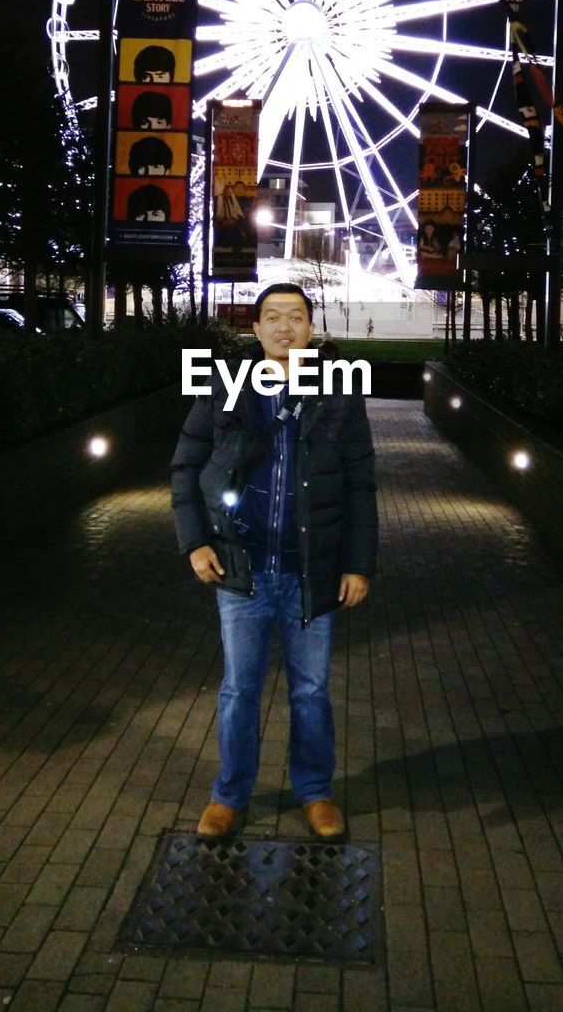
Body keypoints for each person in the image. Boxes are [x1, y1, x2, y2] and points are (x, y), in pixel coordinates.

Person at [171, 284, 378, 842]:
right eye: (272, 317)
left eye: (296, 316)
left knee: (310, 690)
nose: (284, 327)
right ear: (256, 328)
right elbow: (186, 468)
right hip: (242, 571)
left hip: (312, 570)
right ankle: (230, 795)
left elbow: (360, 483)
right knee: (239, 688)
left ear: (312, 326)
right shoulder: (223, 388)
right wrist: (196, 542)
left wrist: (358, 564)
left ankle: (315, 791)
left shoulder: (338, 393)